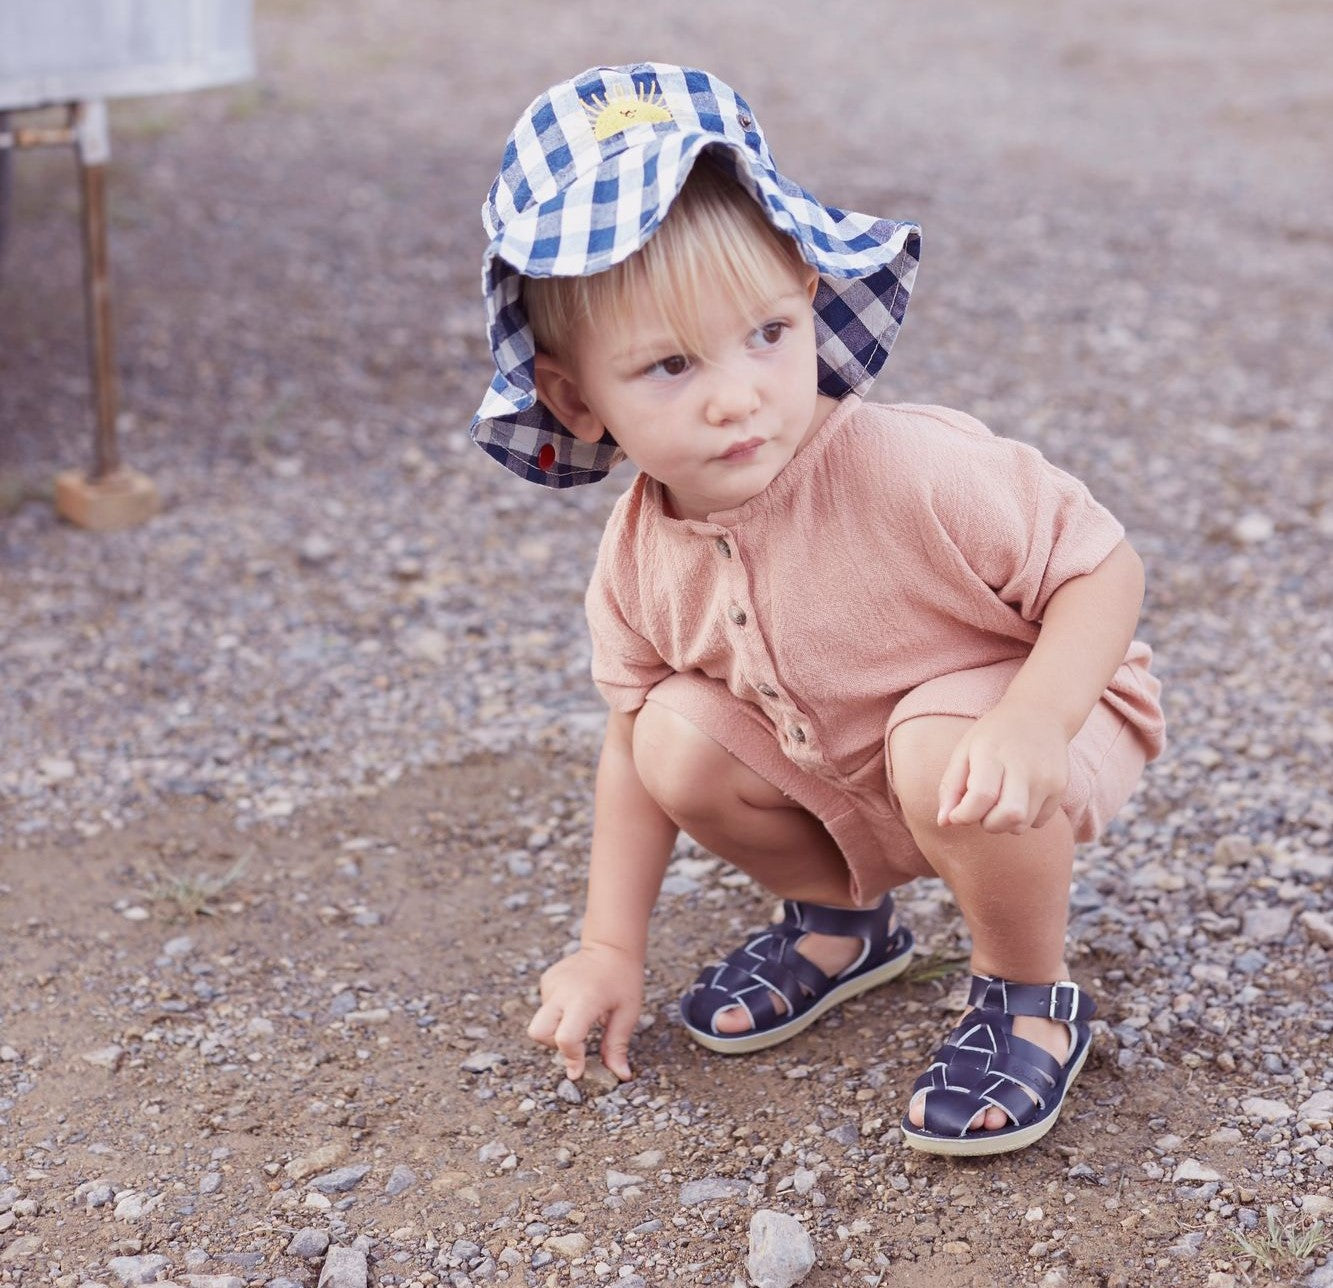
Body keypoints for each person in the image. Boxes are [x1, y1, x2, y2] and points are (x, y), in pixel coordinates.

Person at [469, 63, 1164, 1156]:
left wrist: (1037, 718)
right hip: (853, 770)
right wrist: (610, 945)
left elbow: (1101, 569)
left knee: (936, 738)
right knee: (669, 737)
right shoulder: (638, 556)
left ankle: (1027, 993)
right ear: (572, 397)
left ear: (807, 295)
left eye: (766, 333)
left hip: (1039, 725)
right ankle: (842, 923)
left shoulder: (909, 467)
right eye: (668, 364)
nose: (736, 394)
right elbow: (626, 756)